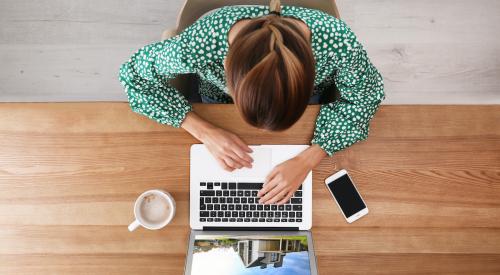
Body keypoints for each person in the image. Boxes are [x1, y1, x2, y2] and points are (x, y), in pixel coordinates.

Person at [119, 0, 384, 205]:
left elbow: (366, 96)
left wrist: (308, 159)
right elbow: (133, 75)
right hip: (217, 102)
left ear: (311, 69)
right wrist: (204, 131)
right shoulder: (201, 43)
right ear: (225, 66)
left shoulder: (338, 43)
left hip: (307, 108)